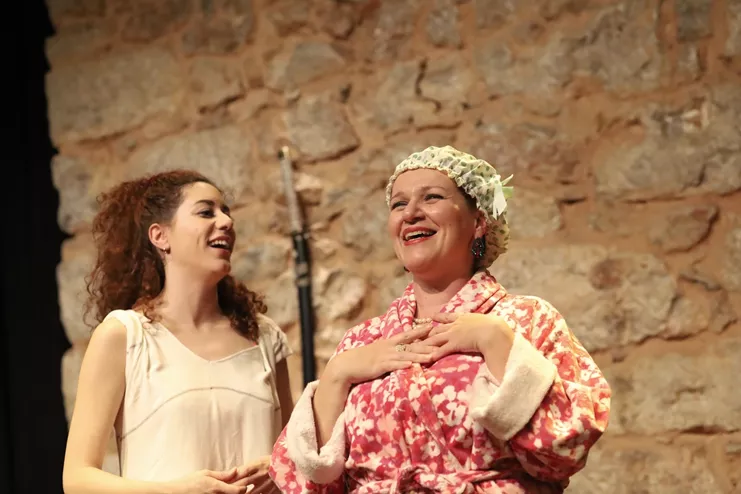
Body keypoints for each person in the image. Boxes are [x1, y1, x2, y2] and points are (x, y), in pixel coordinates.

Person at [270, 146, 611, 493]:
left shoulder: (528, 320)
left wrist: (496, 341)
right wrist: (337, 374)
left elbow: (562, 451)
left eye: (431, 197)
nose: (411, 213)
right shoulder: (363, 340)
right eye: (398, 204)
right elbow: (302, 484)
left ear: (478, 222)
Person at [63, 170, 293, 494]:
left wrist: (279, 465)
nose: (226, 221)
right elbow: (77, 479)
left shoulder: (264, 336)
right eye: (206, 212)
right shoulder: (125, 336)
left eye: (226, 211)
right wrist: (177, 491)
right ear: (160, 236)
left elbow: (295, 456)